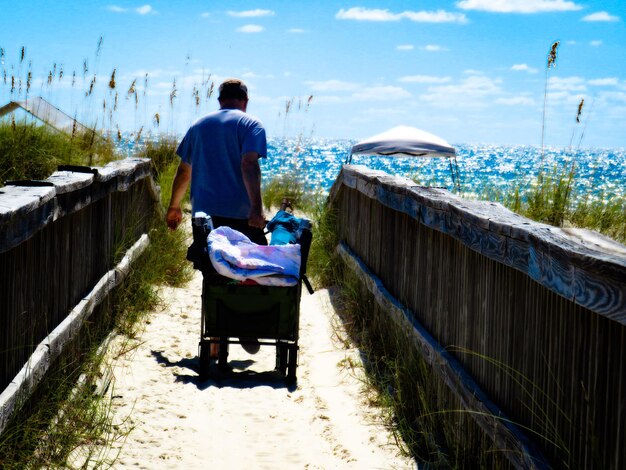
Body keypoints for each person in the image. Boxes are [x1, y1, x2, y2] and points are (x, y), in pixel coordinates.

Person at [166, 78, 267, 245]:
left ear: (220, 100)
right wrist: (257, 209)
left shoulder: (197, 126)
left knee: (211, 266)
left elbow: (184, 171)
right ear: (245, 100)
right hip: (241, 218)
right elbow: (248, 165)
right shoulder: (252, 124)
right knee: (250, 266)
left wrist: (174, 207)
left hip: (203, 218)